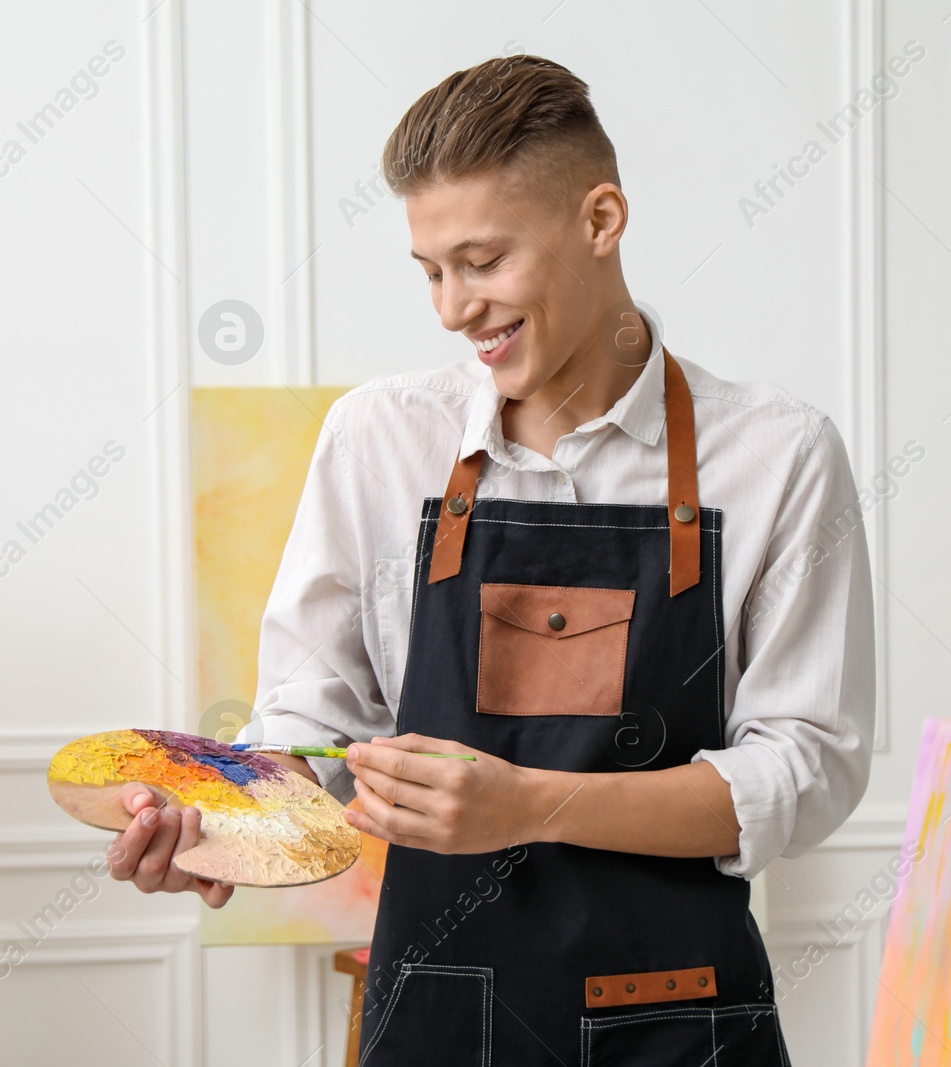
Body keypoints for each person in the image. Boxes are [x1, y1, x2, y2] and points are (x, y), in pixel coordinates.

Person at [109, 53, 874, 1065]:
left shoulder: (777, 454)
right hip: (437, 1014)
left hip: (681, 1018)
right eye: (430, 270)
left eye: (481, 261)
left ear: (599, 220)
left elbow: (805, 767)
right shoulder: (378, 438)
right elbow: (310, 721)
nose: (451, 308)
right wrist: (219, 828)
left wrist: (531, 802)